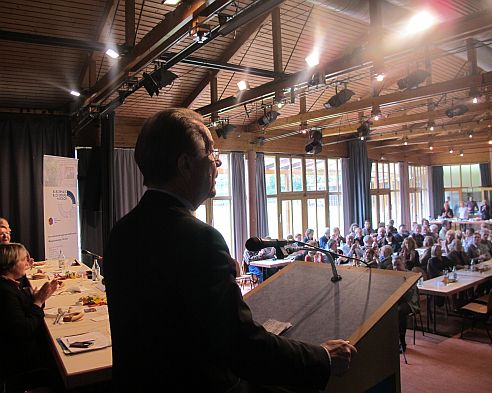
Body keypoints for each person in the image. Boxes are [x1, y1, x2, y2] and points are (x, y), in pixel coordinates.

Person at [103, 108, 355, 393]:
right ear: (185, 165)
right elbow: (241, 348)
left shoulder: (121, 232)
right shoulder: (200, 240)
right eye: (211, 155)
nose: (218, 165)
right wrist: (320, 357)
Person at [0, 243, 60, 393]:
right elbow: (24, 328)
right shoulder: (5, 292)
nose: (27, 263)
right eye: (23, 260)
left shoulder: (11, 285)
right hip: (19, 361)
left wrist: (38, 298)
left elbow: (26, 310)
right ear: (11, 264)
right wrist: (38, 301)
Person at [393, 256, 419, 353]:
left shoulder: (410, 276)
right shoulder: (391, 275)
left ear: (404, 265)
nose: (396, 268)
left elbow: (407, 296)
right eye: (394, 265)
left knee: (400, 311)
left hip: (410, 303)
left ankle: (402, 342)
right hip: (396, 302)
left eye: (398, 265)